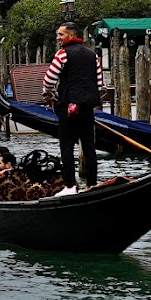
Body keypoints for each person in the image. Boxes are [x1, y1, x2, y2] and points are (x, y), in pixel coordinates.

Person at [42, 22, 105, 188]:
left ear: (70, 36)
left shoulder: (62, 54)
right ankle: (92, 185)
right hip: (87, 109)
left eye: (60, 35)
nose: (58, 38)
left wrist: (46, 92)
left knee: (67, 146)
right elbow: (99, 84)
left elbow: (49, 79)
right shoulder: (93, 56)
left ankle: (70, 186)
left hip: (67, 108)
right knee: (89, 147)